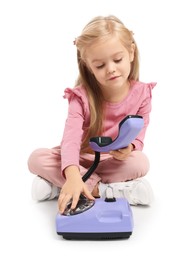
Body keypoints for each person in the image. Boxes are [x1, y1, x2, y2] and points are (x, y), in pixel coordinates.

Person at [28, 15, 156, 214]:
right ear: (88, 66)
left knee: (140, 162)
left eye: (117, 59)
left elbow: (139, 137)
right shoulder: (79, 97)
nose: (111, 69)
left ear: (131, 52)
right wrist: (72, 175)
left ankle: (62, 186)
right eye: (100, 65)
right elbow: (70, 140)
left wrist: (129, 148)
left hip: (110, 163)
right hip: (78, 160)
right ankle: (104, 190)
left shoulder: (142, 94)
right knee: (36, 158)